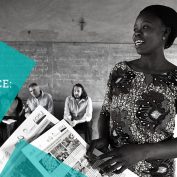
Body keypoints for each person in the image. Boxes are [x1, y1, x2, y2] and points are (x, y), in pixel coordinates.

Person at [87, 5, 177, 177]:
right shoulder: (120, 71)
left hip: (156, 172)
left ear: (165, 32)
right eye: (135, 29)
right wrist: (104, 138)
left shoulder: (175, 79)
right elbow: (105, 113)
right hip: (115, 169)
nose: (136, 33)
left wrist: (142, 152)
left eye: (145, 27)